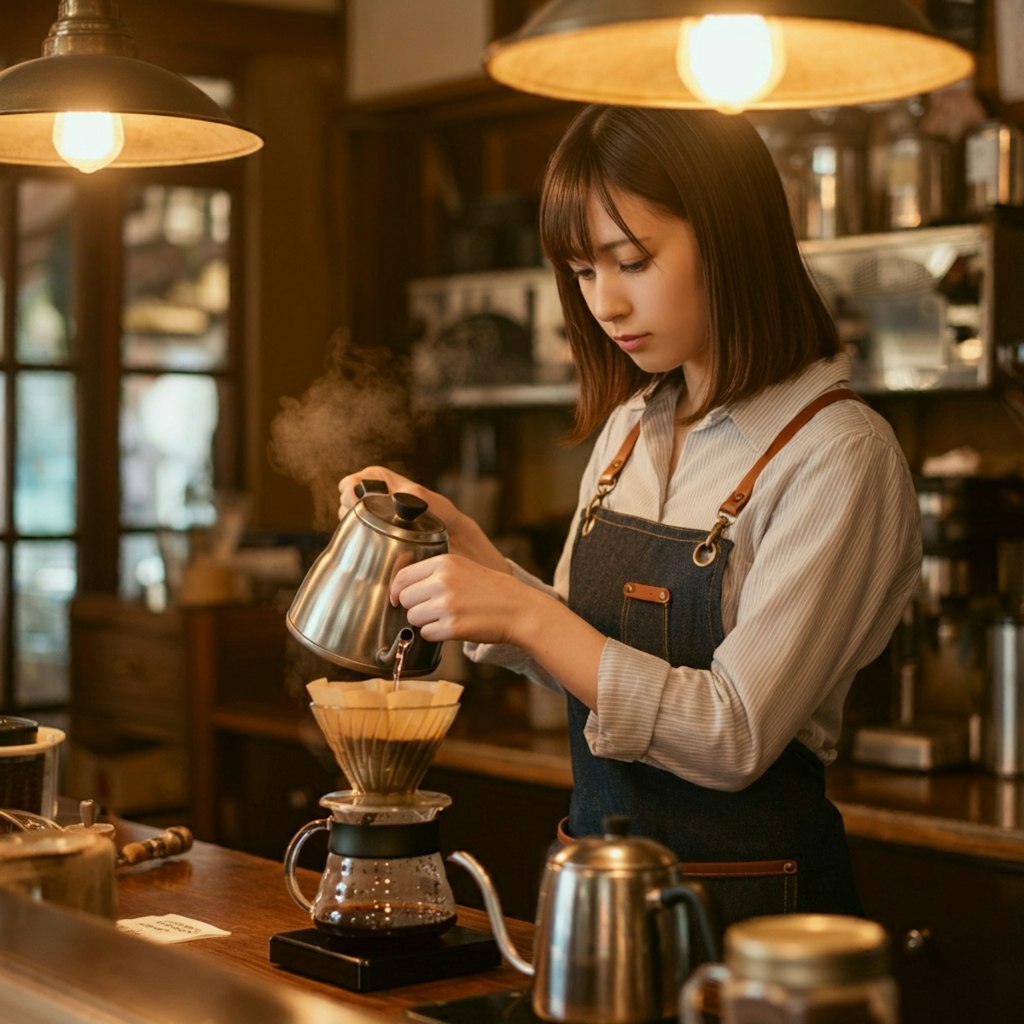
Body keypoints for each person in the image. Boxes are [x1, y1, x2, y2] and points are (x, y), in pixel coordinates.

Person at [338, 105, 922, 930]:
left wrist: (529, 619)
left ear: (730, 237)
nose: (606, 303)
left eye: (632, 261)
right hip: (602, 896)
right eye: (581, 272)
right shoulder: (632, 428)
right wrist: (478, 561)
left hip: (752, 919)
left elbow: (734, 733)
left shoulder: (838, 456)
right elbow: (584, 650)